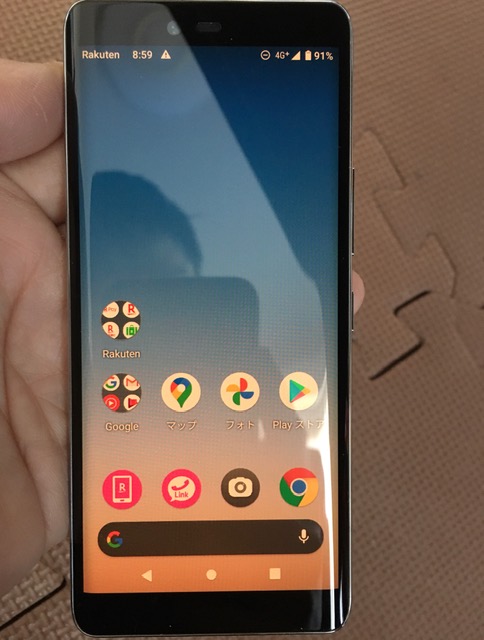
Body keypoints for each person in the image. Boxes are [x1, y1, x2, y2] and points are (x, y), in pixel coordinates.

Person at [0, 59, 365, 597]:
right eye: (136, 292)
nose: (163, 310)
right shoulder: (103, 387)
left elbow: (296, 456)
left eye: (177, 285)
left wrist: (287, 426)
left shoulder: (247, 369)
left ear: (201, 279)